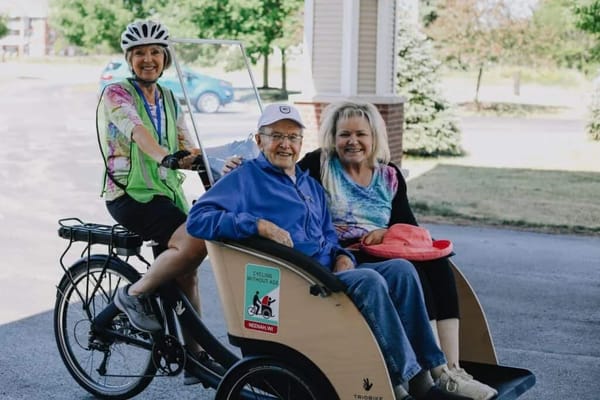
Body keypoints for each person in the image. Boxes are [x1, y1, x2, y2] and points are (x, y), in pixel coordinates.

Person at [186, 103, 471, 400]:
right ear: (259, 140)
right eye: (276, 136)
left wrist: (343, 256)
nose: (285, 144)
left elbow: (328, 237)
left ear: (300, 143)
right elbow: (198, 219)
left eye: (293, 137)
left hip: (326, 272)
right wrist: (257, 225)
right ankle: (401, 386)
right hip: (297, 281)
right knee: (371, 282)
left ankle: (430, 373)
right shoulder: (246, 178)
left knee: (401, 270)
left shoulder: (310, 185)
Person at [295, 100, 497, 400]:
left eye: (361, 134)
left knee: (439, 265)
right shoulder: (319, 164)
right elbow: (278, 174)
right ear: (332, 137)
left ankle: (449, 370)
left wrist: (387, 231)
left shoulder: (388, 175)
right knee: (409, 270)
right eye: (344, 134)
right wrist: (236, 166)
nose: (353, 141)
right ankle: (424, 373)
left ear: (374, 136)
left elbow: (410, 227)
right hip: (344, 256)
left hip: (383, 251)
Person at [97, 20, 219, 384]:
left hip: (165, 195)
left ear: (164, 58)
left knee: (188, 273)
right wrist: (166, 155)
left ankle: (194, 359)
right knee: (194, 242)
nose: (147, 59)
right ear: (129, 60)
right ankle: (133, 296)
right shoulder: (116, 94)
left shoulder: (168, 96)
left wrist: (215, 167)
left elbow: (185, 143)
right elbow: (138, 131)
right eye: (139, 54)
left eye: (154, 53)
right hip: (129, 195)